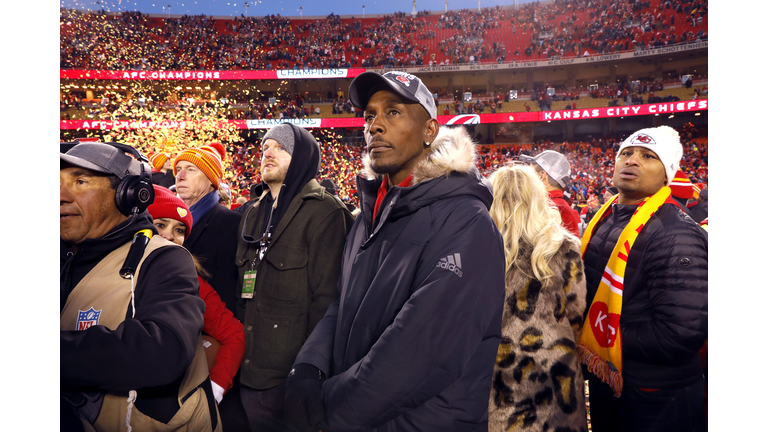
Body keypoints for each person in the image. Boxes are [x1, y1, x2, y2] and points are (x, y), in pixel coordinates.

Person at [285, 71, 506, 432]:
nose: (375, 126)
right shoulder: (369, 215)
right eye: (370, 115)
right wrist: (308, 367)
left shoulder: (466, 222)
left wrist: (329, 412)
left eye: (393, 112)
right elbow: (343, 304)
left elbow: (421, 355)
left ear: (429, 131)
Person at [60, 142, 220, 431]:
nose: (60, 196)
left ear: (126, 194)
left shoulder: (165, 258)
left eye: (80, 181)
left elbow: (165, 349)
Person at [579, 126, 707, 432]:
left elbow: (681, 332)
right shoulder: (608, 216)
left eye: (648, 156)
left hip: (656, 394)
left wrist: (592, 336)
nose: (632, 160)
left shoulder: (676, 233)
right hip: (612, 379)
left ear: (667, 175)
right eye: (626, 153)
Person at [235, 123, 354, 432]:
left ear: (301, 157)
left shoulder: (325, 212)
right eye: (264, 148)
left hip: (287, 378)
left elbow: (328, 300)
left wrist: (310, 371)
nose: (267, 153)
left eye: (280, 148)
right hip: (245, 372)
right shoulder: (251, 213)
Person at [487, 164, 588, 431]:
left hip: (492, 364)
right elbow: (576, 311)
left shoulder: (474, 245)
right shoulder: (563, 245)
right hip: (554, 367)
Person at [146, 184, 246, 406]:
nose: (169, 236)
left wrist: (214, 391)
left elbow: (235, 334)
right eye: (160, 224)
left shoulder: (192, 281)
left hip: (165, 404)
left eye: (179, 230)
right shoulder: (109, 269)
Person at [173, 142, 241, 314]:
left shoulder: (232, 224)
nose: (180, 176)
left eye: (190, 169)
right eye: (178, 169)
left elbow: (228, 292)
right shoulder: (167, 222)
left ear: (211, 180)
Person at [520, 150, 581, 237]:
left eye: (531, 174)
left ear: (542, 176)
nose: (527, 179)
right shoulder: (558, 205)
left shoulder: (552, 208)